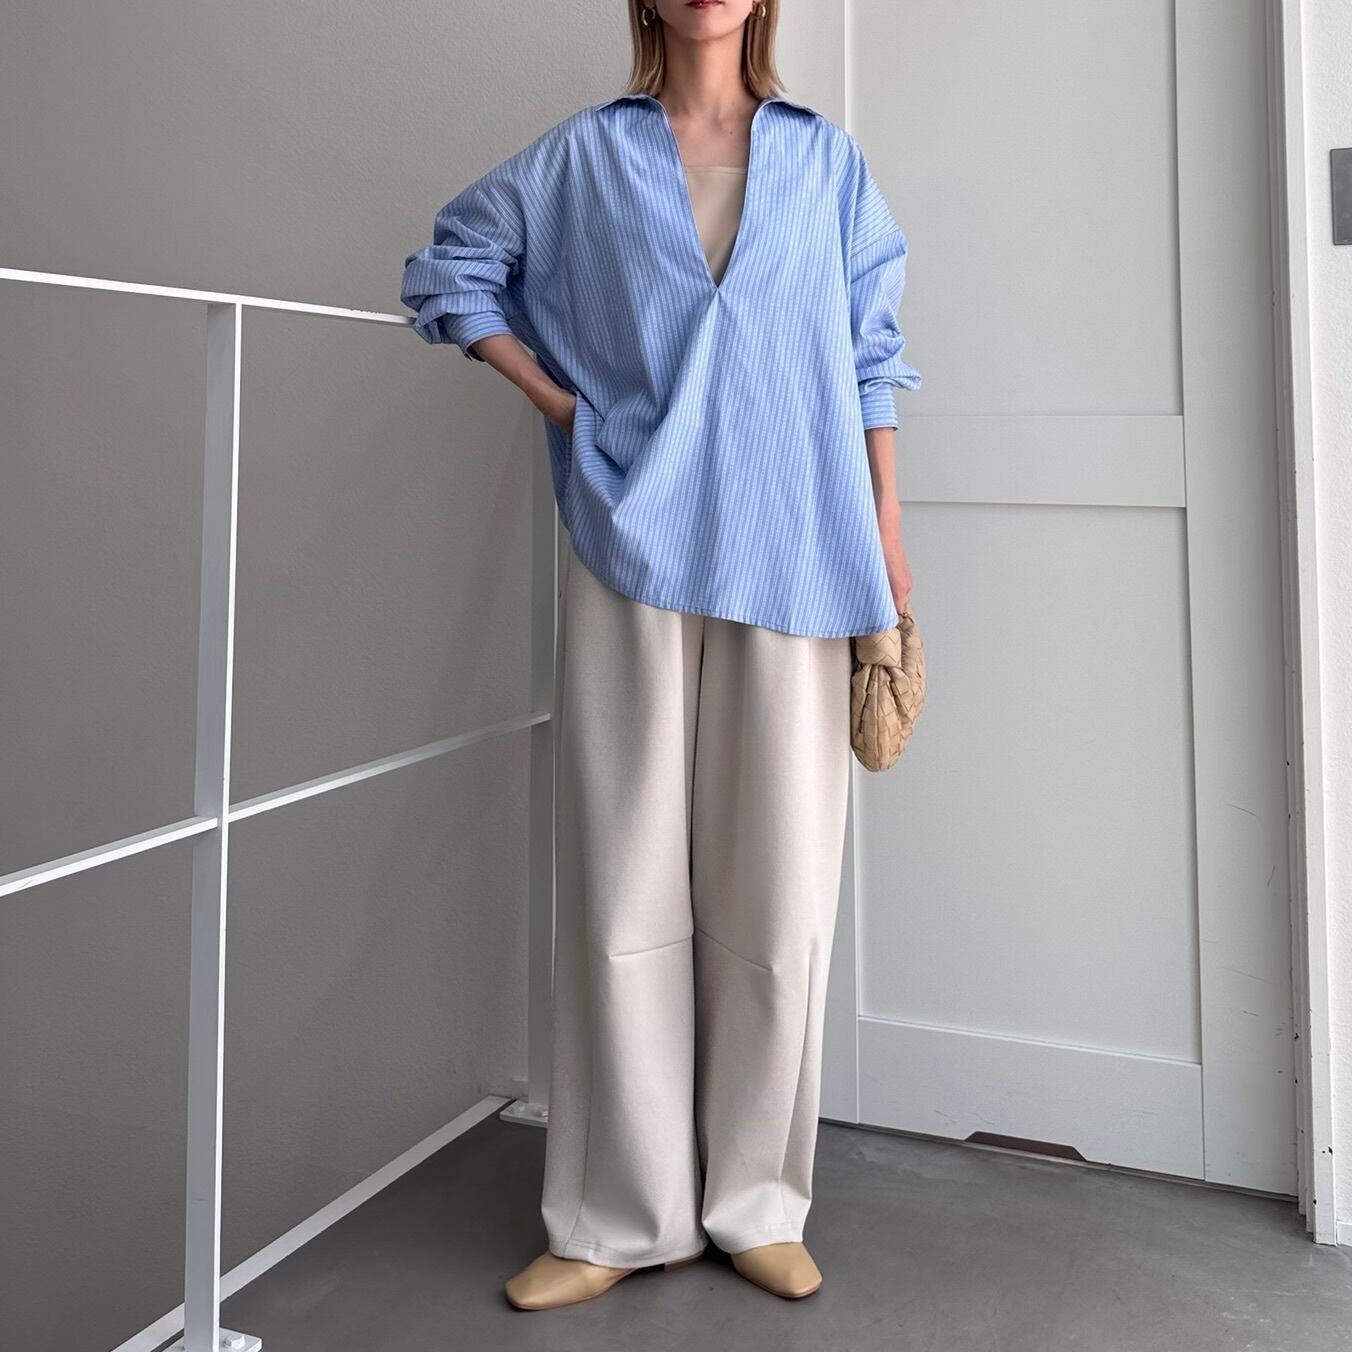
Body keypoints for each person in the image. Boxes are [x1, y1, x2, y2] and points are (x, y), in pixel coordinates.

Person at [399, 0, 921, 1311]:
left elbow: (871, 359)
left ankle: (757, 1200)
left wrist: (887, 546)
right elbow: (449, 266)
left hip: (800, 553)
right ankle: (615, 1216)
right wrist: (560, 403)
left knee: (778, 891)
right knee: (623, 877)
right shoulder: (584, 157)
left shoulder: (826, 162)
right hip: (630, 541)